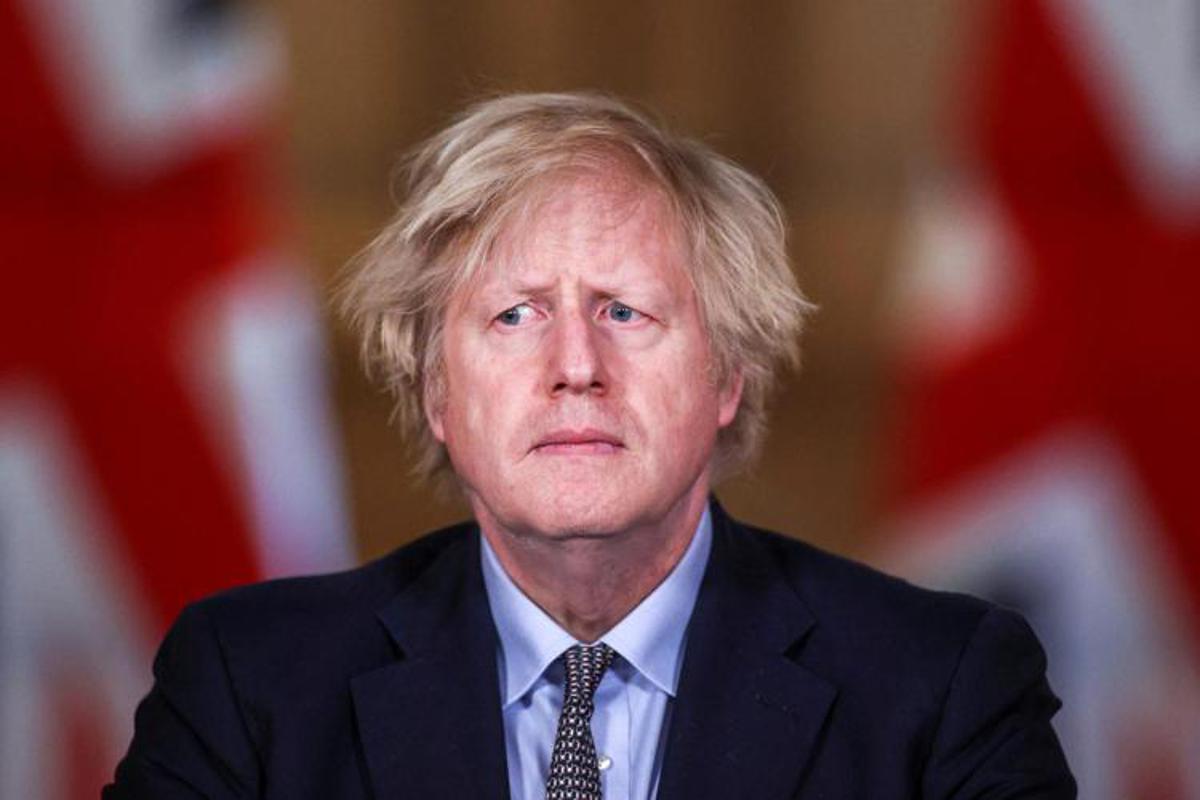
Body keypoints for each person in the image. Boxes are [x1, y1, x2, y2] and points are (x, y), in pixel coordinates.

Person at [105, 92, 1075, 799]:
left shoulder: (946, 687)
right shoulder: (248, 686)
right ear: (436, 390)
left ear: (727, 376)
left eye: (624, 309)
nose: (575, 364)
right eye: (515, 314)